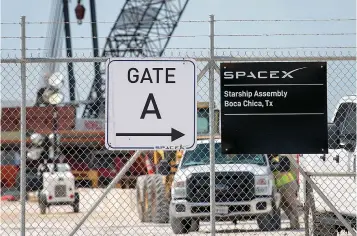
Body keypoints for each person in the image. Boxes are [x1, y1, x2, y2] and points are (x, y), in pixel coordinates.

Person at [269, 154, 300, 229]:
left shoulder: (275, 160)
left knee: (292, 205)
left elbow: (277, 173)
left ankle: (295, 225)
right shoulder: (278, 159)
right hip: (283, 185)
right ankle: (293, 221)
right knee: (283, 204)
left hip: (287, 184)